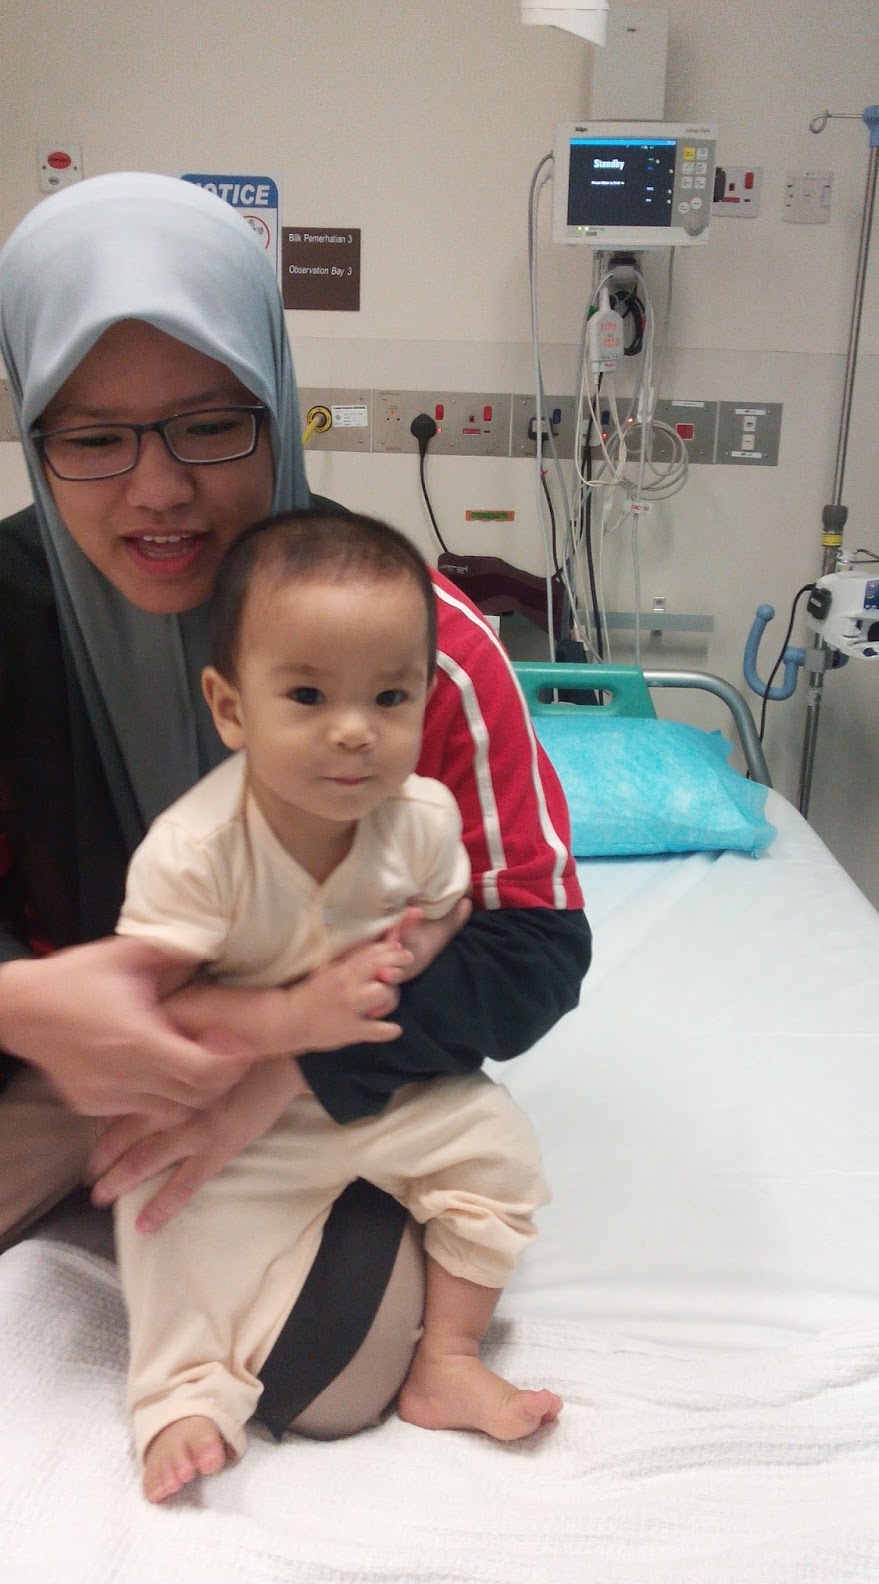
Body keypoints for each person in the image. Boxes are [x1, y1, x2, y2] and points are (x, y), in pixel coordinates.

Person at [0, 173, 591, 1459]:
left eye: (210, 424)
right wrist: (25, 1004)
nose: (157, 489)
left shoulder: (409, 647)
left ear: (276, 400)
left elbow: (534, 943)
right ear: (35, 434)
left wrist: (285, 1064)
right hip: (57, 1062)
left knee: (337, 1376)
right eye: (92, 438)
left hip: (329, 1068)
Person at [113, 506, 562, 1500]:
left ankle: (446, 1357)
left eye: (389, 696)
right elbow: (161, 1006)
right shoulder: (195, 852)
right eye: (308, 695)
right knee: (162, 1211)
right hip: (244, 1103)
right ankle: (179, 1398)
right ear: (232, 708)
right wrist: (292, 1024)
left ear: (426, 699)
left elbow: (449, 908)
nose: (354, 729)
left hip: (386, 1087)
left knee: (500, 1150)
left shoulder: (422, 817)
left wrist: (410, 954)